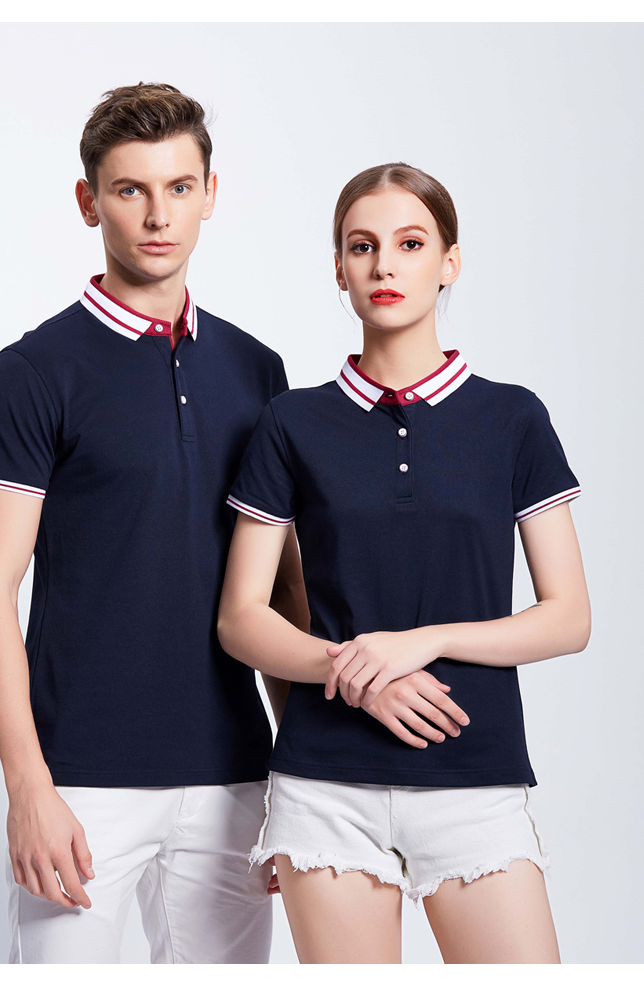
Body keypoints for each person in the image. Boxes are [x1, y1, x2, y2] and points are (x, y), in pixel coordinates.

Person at [0, 82, 310, 964]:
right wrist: (28, 786)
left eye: (179, 187)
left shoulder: (258, 369)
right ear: (90, 202)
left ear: (210, 194)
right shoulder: (34, 372)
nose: (159, 215)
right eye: (130, 190)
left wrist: (300, 772)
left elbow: (283, 588)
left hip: (235, 774)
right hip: (80, 782)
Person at [217, 162, 590, 964]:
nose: (384, 264)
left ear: (449, 262)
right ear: (340, 268)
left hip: (475, 776)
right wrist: (357, 671)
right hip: (327, 785)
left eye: (410, 243)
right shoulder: (292, 422)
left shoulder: (513, 418)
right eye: (363, 246)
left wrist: (424, 641)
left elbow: (568, 618)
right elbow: (242, 618)